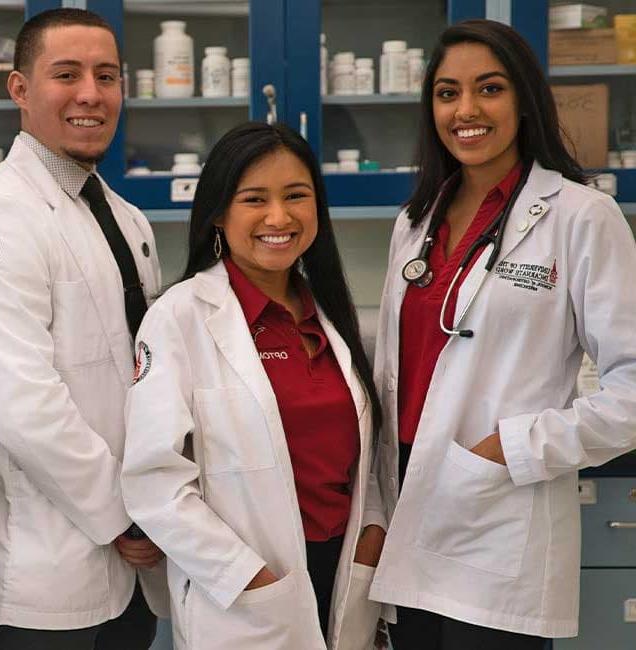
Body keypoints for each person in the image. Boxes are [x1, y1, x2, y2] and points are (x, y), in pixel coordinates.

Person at [368, 20, 636, 648]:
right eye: (446, 92)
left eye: (488, 89)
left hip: (498, 507)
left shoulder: (580, 216)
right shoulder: (415, 221)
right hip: (405, 495)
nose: (465, 111)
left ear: (524, 99)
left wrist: (514, 448)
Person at [0, 8, 168, 649]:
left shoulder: (126, 218)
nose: (90, 94)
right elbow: (19, 401)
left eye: (107, 76)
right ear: (20, 90)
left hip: (134, 564)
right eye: (66, 74)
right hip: (47, 577)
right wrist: (124, 514)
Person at [121, 122, 387, 650]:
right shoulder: (181, 317)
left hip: (345, 571)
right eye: (254, 199)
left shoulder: (328, 313)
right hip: (249, 585)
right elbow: (154, 482)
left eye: (296, 196)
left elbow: (360, 452)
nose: (278, 217)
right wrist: (247, 578)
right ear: (219, 212)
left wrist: (373, 532)